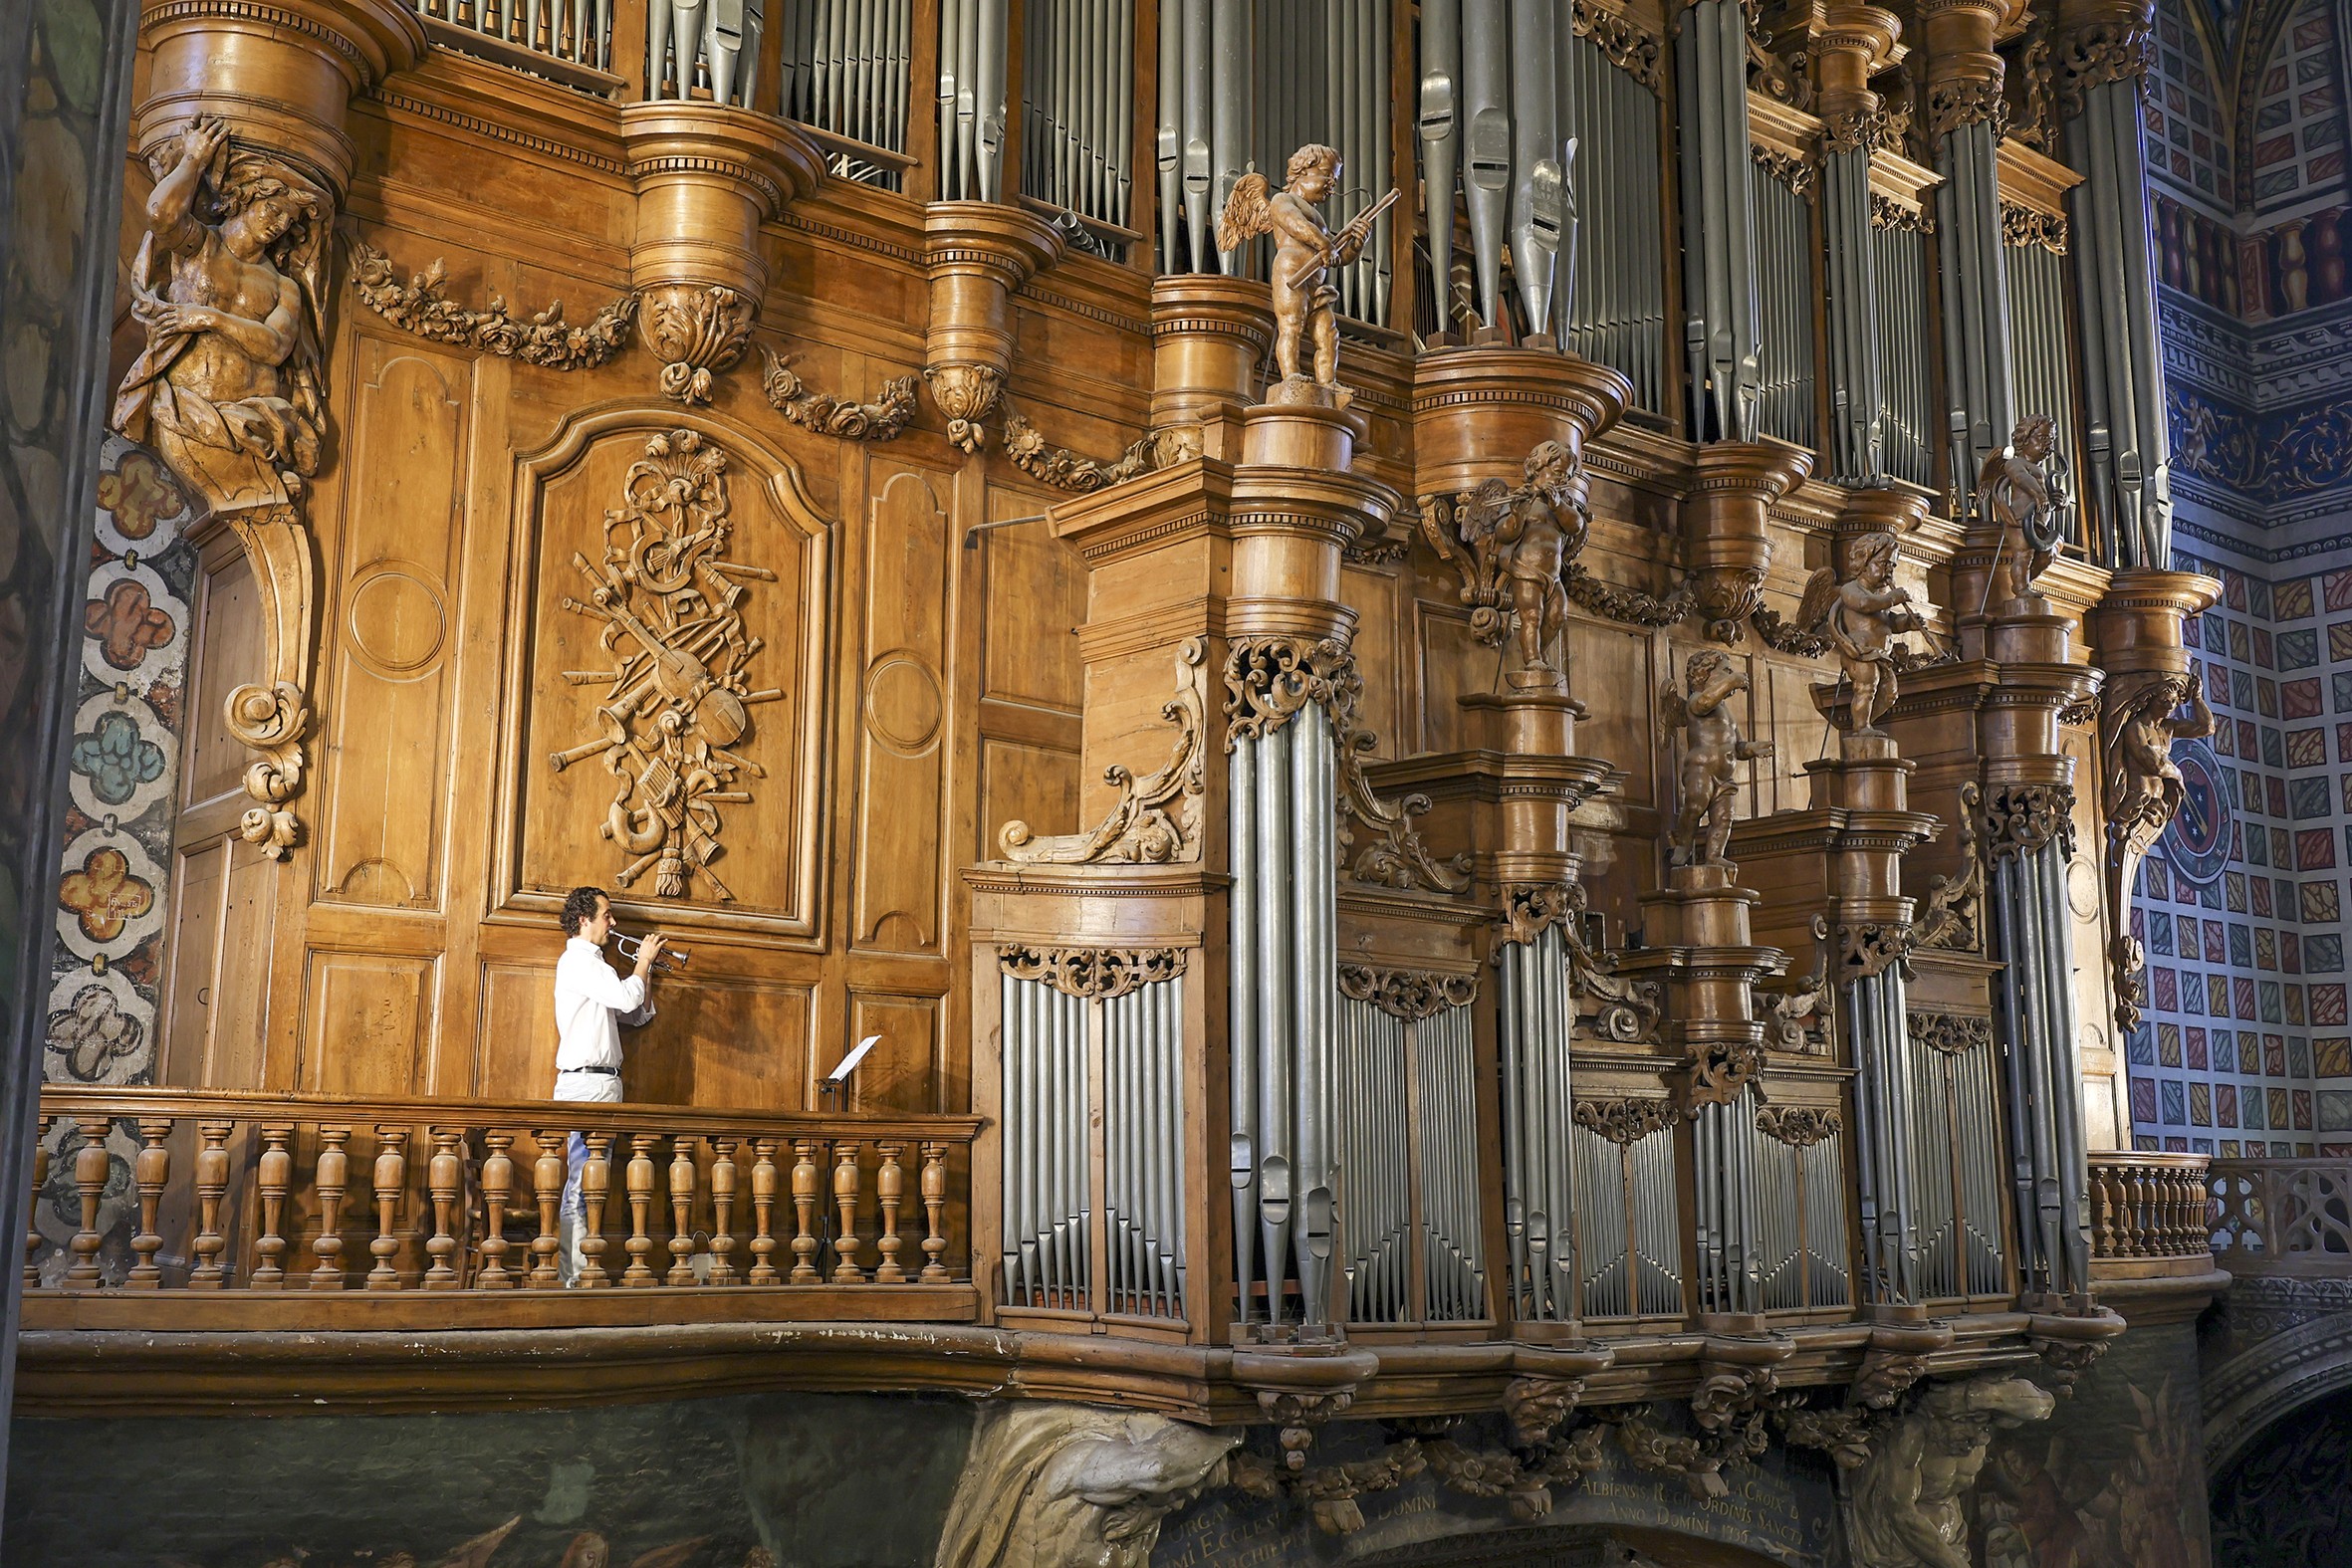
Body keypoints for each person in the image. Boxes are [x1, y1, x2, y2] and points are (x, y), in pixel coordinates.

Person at [552, 885, 664, 1284]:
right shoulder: (579, 961)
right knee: (581, 1187)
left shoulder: (596, 966)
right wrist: (642, 962)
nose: (612, 923)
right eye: (606, 915)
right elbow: (625, 996)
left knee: (594, 1187)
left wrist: (644, 971)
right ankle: (573, 1280)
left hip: (603, 1086)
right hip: (585, 1087)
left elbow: (635, 1015)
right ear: (584, 920)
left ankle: (585, 1274)